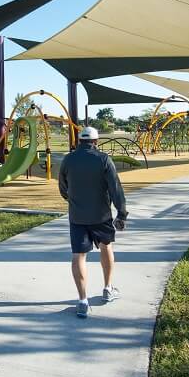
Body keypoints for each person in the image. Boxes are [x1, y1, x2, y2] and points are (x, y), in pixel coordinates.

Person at [58, 126, 128, 318]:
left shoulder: (68, 159)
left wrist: (73, 200)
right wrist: (121, 213)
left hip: (77, 216)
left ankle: (82, 301)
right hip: (101, 215)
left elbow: (63, 188)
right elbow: (115, 188)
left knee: (78, 255)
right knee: (106, 247)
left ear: (79, 141)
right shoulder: (104, 159)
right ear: (96, 142)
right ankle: (107, 288)